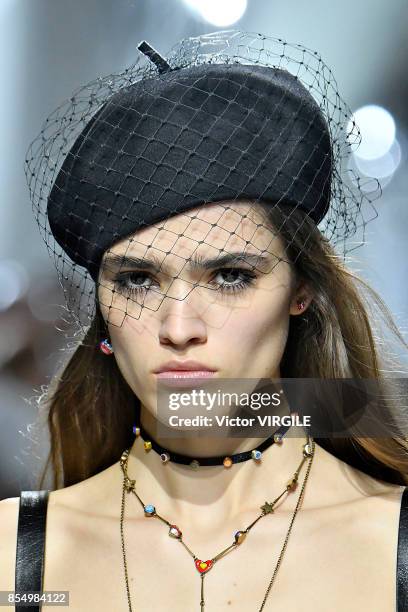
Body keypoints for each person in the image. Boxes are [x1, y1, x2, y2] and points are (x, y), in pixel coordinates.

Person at [0, 30, 407, 611]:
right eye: (137, 280)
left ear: (302, 292)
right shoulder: (14, 559)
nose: (179, 326)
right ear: (103, 314)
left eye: (231, 276)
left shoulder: (395, 546)